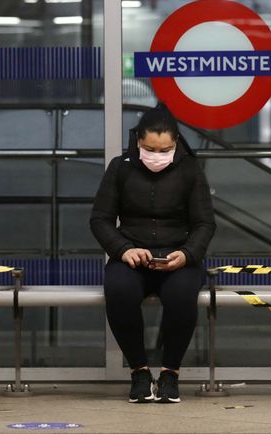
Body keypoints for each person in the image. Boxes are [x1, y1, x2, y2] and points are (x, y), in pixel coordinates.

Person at [90, 104, 216, 404]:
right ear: (138, 142)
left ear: (176, 144)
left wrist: (187, 254)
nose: (157, 156)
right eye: (150, 149)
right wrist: (123, 249)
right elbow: (100, 219)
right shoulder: (120, 168)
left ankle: (170, 373)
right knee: (119, 290)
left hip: (179, 258)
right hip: (132, 255)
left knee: (182, 296)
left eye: (165, 149)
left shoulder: (190, 170)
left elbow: (204, 223)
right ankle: (139, 372)